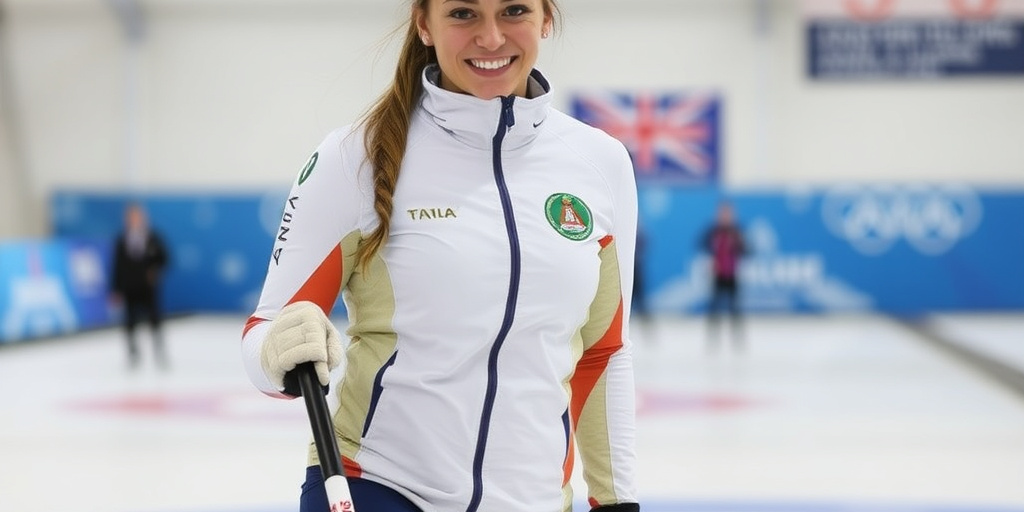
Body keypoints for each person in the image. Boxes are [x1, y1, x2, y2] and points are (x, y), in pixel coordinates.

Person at [241, 1, 640, 511]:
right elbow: (264, 334)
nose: (491, 38)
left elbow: (604, 352)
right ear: (424, 24)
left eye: (514, 10)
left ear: (546, 18)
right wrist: (277, 349)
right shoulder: (354, 157)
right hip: (377, 486)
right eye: (463, 14)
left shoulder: (599, 163)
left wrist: (617, 501)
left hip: (535, 499)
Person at [111, 202, 169, 369]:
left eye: (137, 216)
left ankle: (159, 351)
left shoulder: (153, 238)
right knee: (130, 321)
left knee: (154, 319)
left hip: (148, 287)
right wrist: (116, 289)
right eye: (131, 217)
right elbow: (117, 266)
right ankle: (133, 353)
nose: (134, 220)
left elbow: (164, 258)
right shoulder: (122, 240)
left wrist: (154, 270)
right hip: (129, 287)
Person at [701, 200, 746, 351]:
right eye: (722, 214)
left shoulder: (736, 232)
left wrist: (738, 244)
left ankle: (737, 339)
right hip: (718, 275)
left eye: (728, 214)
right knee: (714, 308)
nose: (725, 217)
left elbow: (746, 250)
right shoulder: (713, 231)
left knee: (735, 308)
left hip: (732, 275)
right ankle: (712, 338)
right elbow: (702, 244)